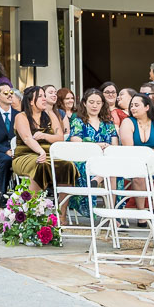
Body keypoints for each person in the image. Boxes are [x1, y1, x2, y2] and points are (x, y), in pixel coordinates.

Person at [10, 86, 76, 208]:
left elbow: (60, 137)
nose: (44, 99)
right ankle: (33, 209)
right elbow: (27, 138)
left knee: (67, 165)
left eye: (44, 96)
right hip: (25, 155)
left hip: (48, 155)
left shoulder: (50, 115)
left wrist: (44, 136)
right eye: (40, 96)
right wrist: (41, 152)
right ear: (30, 101)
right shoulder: (21, 116)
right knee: (40, 165)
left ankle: (61, 214)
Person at [66, 88, 118, 218]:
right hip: (84, 160)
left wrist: (107, 148)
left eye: (98, 102)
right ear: (84, 103)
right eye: (91, 102)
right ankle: (98, 180)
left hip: (105, 160)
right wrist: (97, 146)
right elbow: (75, 142)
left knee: (113, 170)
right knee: (109, 169)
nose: (95, 105)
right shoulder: (78, 121)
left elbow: (115, 145)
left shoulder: (108, 123)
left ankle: (111, 213)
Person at [118, 92, 154, 216]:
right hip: (133, 160)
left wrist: (148, 153)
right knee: (139, 176)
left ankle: (153, 204)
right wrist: (149, 153)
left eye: (136, 105)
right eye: (131, 105)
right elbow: (129, 149)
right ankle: (141, 212)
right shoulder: (128, 122)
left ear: (147, 107)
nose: (132, 108)